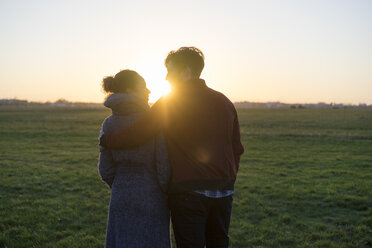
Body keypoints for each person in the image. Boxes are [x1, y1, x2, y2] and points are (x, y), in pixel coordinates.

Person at [100, 47, 244, 248]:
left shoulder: (172, 100)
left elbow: (141, 131)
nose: (166, 77)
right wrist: (229, 177)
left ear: (185, 71)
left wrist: (107, 140)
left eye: (170, 70)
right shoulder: (225, 102)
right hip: (223, 191)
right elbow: (237, 147)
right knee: (219, 243)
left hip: (188, 192)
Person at [97, 69, 171, 248]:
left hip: (120, 195)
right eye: (143, 87)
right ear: (130, 91)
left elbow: (105, 169)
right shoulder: (152, 121)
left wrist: (121, 185)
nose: (148, 91)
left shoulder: (109, 123)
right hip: (152, 196)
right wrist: (164, 191)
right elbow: (163, 165)